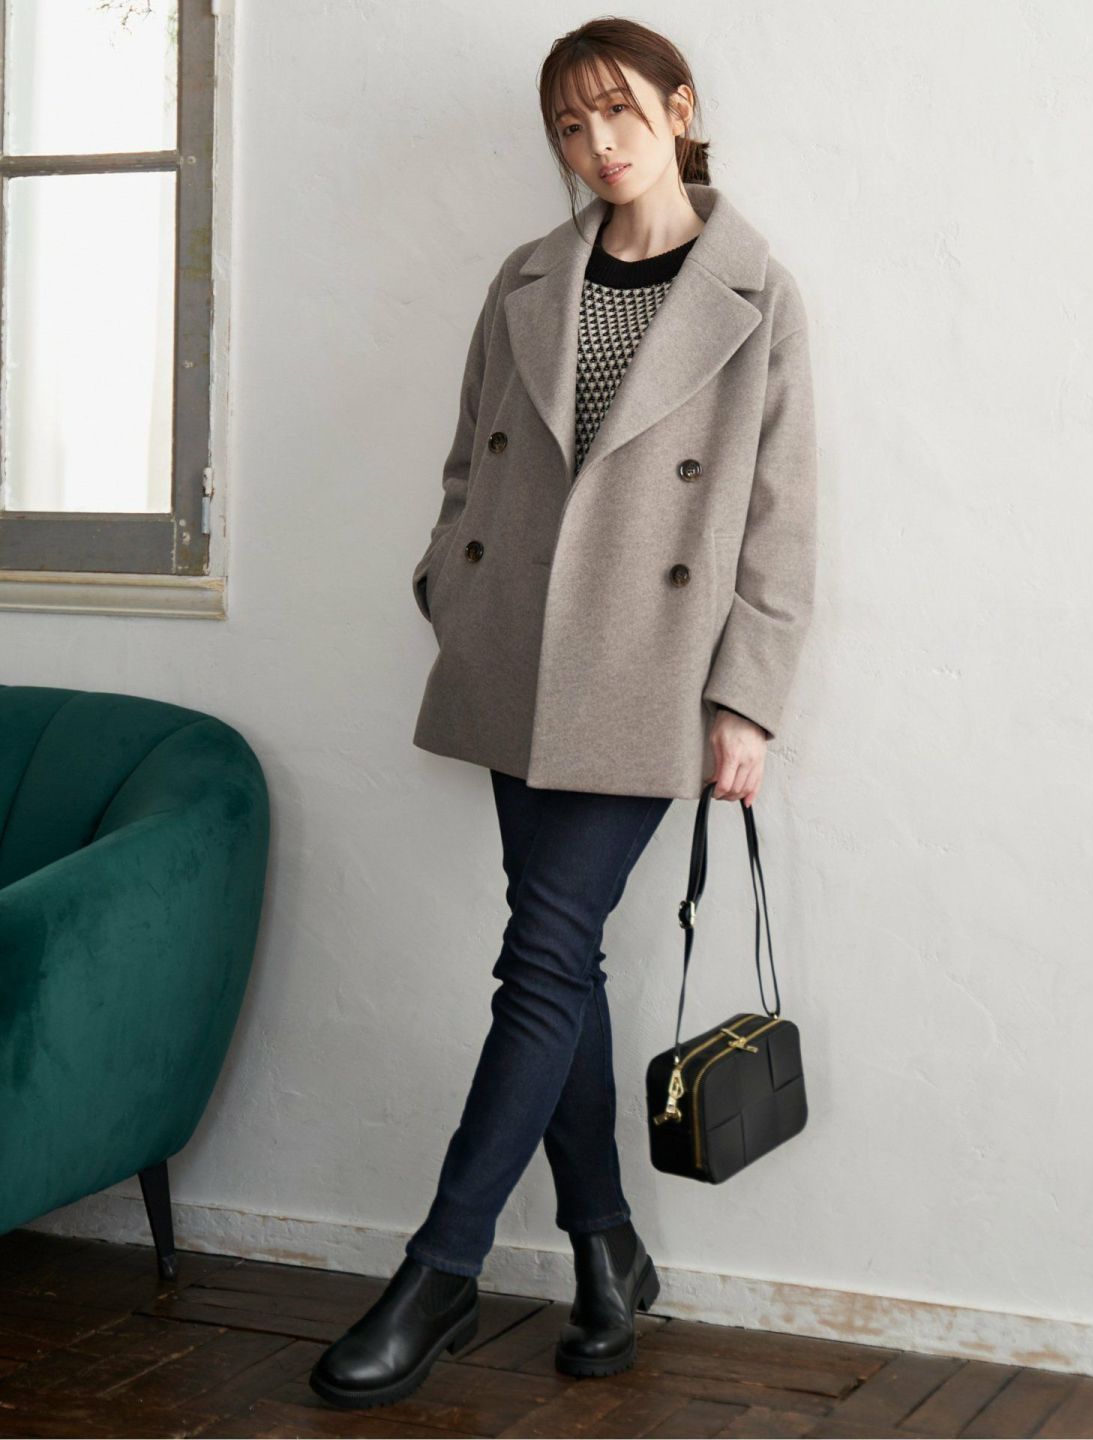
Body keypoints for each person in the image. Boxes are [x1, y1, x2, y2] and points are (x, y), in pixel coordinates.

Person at [310, 16, 818, 1411]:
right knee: (562, 959)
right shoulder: (529, 277)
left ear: (679, 108)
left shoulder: (756, 294)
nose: (598, 146)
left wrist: (747, 699)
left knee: (538, 958)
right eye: (571, 127)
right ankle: (605, 1253)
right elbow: (466, 461)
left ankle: (441, 1269)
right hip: (514, 657)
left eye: (620, 114)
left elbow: (781, 522)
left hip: (648, 674)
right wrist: (448, 585)